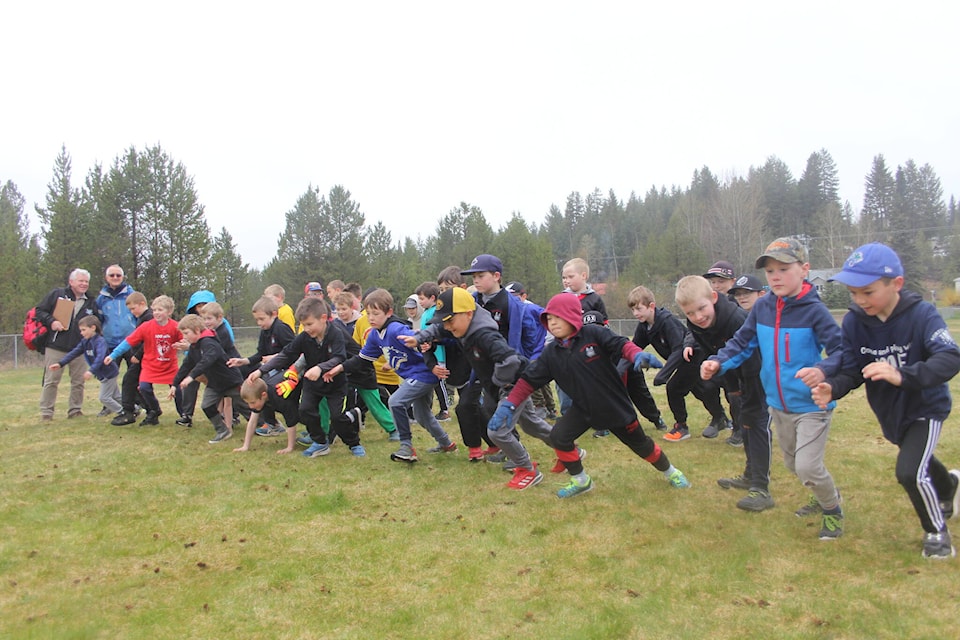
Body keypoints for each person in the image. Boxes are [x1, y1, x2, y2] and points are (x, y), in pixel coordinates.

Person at [812, 243, 960, 558]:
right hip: (889, 412)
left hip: (925, 407)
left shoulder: (922, 315)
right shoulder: (853, 322)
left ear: (897, 284)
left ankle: (937, 533)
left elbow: (949, 357)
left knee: (909, 471)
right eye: (854, 293)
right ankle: (947, 486)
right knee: (916, 457)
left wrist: (902, 375)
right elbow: (853, 371)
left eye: (868, 292)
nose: (860, 300)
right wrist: (832, 387)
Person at [701, 237, 844, 533]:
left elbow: (842, 352)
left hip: (811, 405)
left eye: (783, 269)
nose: (776, 276)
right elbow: (742, 342)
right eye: (770, 271)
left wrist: (822, 370)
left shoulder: (815, 311)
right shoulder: (763, 307)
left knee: (807, 467)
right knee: (794, 466)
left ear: (804, 269)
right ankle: (823, 494)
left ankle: (833, 510)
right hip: (777, 404)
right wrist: (719, 361)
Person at [492, 292, 689, 498]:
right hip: (583, 409)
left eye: (557, 317)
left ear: (571, 316)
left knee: (642, 446)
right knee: (559, 436)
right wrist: (510, 404)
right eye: (549, 318)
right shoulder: (551, 353)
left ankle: (671, 472)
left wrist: (637, 354)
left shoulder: (593, 334)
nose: (552, 323)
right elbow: (528, 381)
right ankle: (581, 480)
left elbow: (622, 344)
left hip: (615, 407)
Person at [404, 287, 558, 489]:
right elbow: (438, 329)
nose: (447, 326)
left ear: (468, 313)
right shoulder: (461, 325)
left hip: (511, 385)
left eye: (450, 320)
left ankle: (527, 469)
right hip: (507, 385)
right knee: (531, 425)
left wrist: (498, 382)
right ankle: (567, 448)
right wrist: (419, 338)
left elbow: (510, 361)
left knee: (497, 431)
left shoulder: (485, 334)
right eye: (445, 321)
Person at [325, 288, 455, 463]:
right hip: (414, 376)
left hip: (423, 374)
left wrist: (422, 343)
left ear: (389, 313)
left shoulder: (395, 329)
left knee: (395, 402)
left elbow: (417, 336)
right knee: (422, 415)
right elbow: (362, 360)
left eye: (376, 313)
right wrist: (340, 367)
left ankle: (406, 447)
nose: (371, 318)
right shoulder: (375, 336)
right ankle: (446, 443)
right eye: (368, 313)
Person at [251, 296, 364, 458]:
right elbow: (286, 354)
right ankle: (319, 442)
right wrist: (261, 371)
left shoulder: (336, 334)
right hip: (312, 384)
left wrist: (320, 368)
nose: (307, 328)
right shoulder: (304, 337)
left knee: (337, 418)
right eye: (303, 325)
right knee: (305, 411)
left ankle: (354, 443)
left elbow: (339, 357)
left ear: (323, 318)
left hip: (336, 385)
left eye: (310, 324)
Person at [461, 254, 546, 459]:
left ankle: (558, 446)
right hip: (482, 367)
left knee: (521, 418)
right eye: (474, 277)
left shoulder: (513, 305)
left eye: (481, 275)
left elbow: (528, 336)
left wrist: (522, 363)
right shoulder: (471, 302)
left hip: (508, 369)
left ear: (497, 276)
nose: (476, 281)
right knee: (496, 410)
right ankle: (515, 451)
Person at [628, 285, 717, 437]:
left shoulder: (666, 321)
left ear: (651, 306)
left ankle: (681, 427)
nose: (636, 313)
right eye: (633, 310)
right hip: (683, 362)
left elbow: (678, 349)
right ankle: (721, 418)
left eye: (639, 309)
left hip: (693, 357)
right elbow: (634, 347)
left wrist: (663, 374)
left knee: (674, 389)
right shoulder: (644, 326)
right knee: (701, 391)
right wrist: (621, 366)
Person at [170, 314, 249, 444]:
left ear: (196, 330)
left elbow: (206, 361)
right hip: (215, 384)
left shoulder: (209, 342)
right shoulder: (194, 346)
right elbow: (186, 365)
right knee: (207, 405)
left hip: (230, 381)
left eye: (186, 333)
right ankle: (223, 431)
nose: (184, 337)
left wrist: (191, 377)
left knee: (245, 406)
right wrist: (174, 384)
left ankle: (267, 425)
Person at [105, 295, 182, 426]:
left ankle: (184, 415)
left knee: (178, 390)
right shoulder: (146, 326)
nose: (156, 313)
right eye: (155, 310)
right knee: (144, 387)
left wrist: (186, 347)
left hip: (169, 366)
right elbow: (128, 341)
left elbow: (186, 341)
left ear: (169, 312)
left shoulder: (176, 327)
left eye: (160, 310)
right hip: (150, 365)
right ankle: (154, 409)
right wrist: (113, 355)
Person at [35, 268, 100, 421]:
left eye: (86, 281)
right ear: (71, 282)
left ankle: (75, 410)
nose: (84, 284)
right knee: (51, 380)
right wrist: (52, 322)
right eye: (81, 281)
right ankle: (46, 412)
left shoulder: (91, 302)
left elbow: (96, 323)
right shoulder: (57, 295)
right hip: (56, 346)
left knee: (78, 381)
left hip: (79, 348)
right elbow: (39, 311)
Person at [178, 290, 236, 426]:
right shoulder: (191, 323)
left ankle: (233, 416)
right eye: (198, 306)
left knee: (228, 390)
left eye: (205, 304)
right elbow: (192, 346)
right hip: (201, 362)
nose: (201, 308)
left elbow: (222, 346)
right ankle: (187, 414)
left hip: (219, 364)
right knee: (190, 380)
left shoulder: (221, 324)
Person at [721, 274, 767, 447]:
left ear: (761, 294)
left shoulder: (768, 316)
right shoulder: (735, 317)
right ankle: (742, 434)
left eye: (747, 293)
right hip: (743, 371)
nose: (742, 297)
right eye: (738, 294)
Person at [49, 316, 122, 417]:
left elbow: (100, 358)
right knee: (117, 397)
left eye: (84, 330)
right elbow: (74, 353)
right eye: (81, 330)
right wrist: (60, 363)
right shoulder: (85, 342)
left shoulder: (100, 342)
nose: (81, 333)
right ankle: (134, 409)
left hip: (109, 374)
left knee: (104, 398)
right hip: (103, 375)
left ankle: (122, 412)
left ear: (93, 328)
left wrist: (91, 371)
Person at [95, 265, 137, 416]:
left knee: (134, 376)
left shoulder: (132, 295)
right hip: (111, 343)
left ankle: (134, 404)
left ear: (123, 277)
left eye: (118, 275)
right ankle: (108, 405)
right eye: (111, 275)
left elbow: (139, 317)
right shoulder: (101, 299)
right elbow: (99, 321)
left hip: (131, 342)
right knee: (109, 376)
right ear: (106, 278)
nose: (115, 278)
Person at [111, 292, 152, 425]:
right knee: (135, 384)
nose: (132, 312)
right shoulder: (142, 317)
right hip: (141, 356)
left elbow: (148, 340)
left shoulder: (148, 318)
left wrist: (138, 354)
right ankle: (150, 409)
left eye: (133, 309)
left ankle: (129, 412)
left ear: (142, 304)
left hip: (144, 357)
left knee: (129, 381)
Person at [415, 281, 451, 422]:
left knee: (439, 381)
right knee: (432, 381)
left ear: (432, 298)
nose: (420, 302)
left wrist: (431, 341)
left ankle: (445, 410)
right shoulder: (426, 313)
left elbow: (438, 332)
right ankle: (427, 408)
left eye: (422, 298)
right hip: (428, 354)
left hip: (438, 354)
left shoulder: (436, 312)